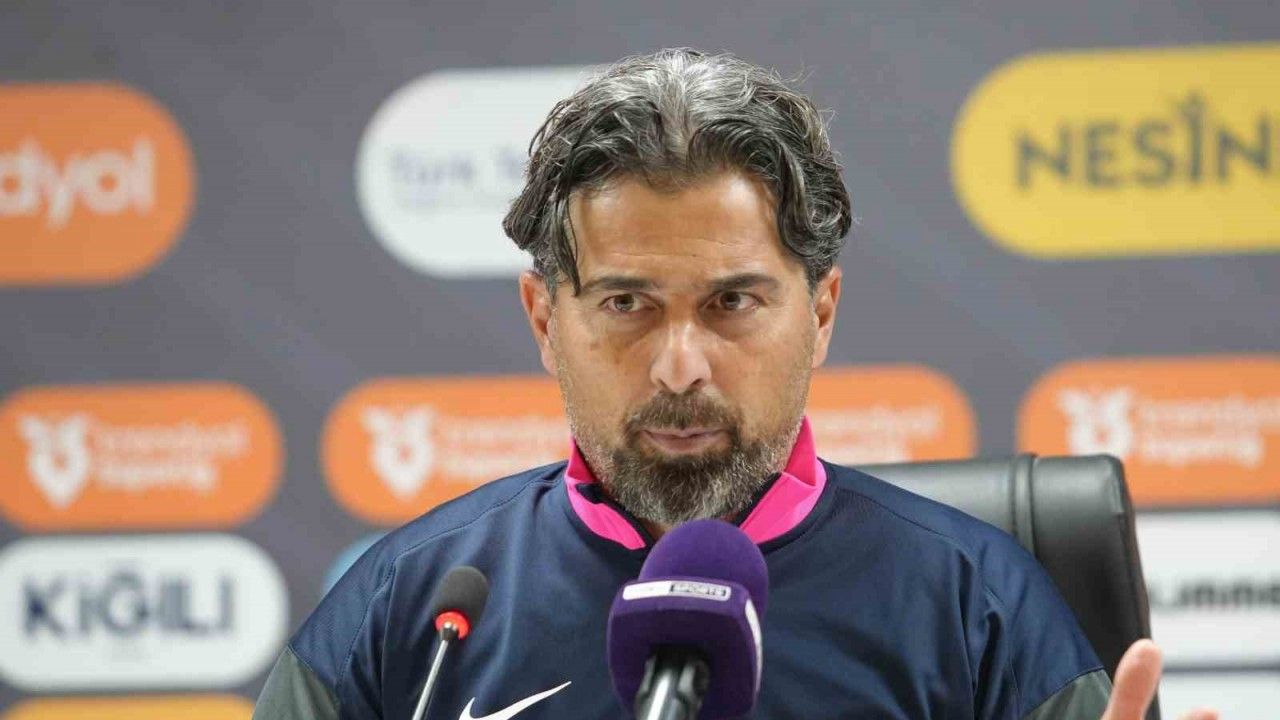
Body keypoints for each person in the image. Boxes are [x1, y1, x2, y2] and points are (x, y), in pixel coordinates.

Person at [253, 49, 1215, 720]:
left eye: (732, 302)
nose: (681, 365)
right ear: (546, 321)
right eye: (627, 303)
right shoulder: (415, 609)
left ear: (821, 312)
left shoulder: (980, 607)